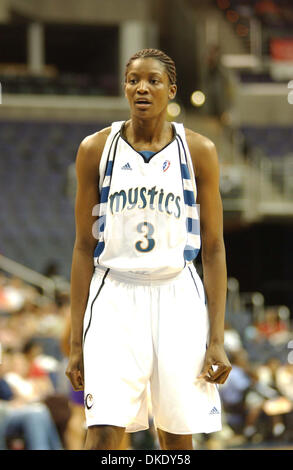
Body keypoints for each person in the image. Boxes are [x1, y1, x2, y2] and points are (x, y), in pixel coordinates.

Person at [66, 48, 232, 451]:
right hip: (114, 295)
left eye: (153, 81)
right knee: (104, 431)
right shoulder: (95, 149)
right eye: (133, 80)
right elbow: (83, 245)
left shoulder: (198, 152)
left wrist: (217, 337)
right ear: (124, 87)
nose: (142, 88)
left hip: (178, 295)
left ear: (171, 90)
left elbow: (212, 248)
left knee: (176, 436)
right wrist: (75, 342)